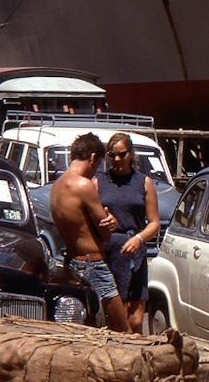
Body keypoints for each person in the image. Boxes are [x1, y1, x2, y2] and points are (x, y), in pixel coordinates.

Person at [50, 132, 130, 332]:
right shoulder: (83, 185)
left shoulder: (57, 186)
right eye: (98, 163)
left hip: (70, 261)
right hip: (92, 263)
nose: (95, 170)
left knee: (81, 329)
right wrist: (112, 222)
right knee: (122, 330)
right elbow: (105, 233)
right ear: (93, 157)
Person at [96, 133, 161, 334]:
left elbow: (154, 223)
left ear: (131, 154)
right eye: (112, 155)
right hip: (109, 254)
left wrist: (139, 238)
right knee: (115, 320)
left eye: (122, 155)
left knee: (135, 321)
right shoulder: (99, 182)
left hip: (135, 255)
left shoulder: (143, 182)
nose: (117, 160)